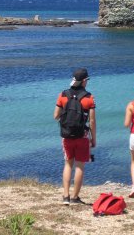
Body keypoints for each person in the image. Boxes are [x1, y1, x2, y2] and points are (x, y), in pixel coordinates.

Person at [54, 68, 96, 205]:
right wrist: (93, 138)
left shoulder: (62, 95)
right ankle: (75, 198)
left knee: (68, 165)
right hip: (82, 136)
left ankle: (65, 196)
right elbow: (92, 121)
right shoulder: (89, 98)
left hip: (66, 136)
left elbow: (56, 116)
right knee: (79, 167)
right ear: (84, 81)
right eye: (87, 80)